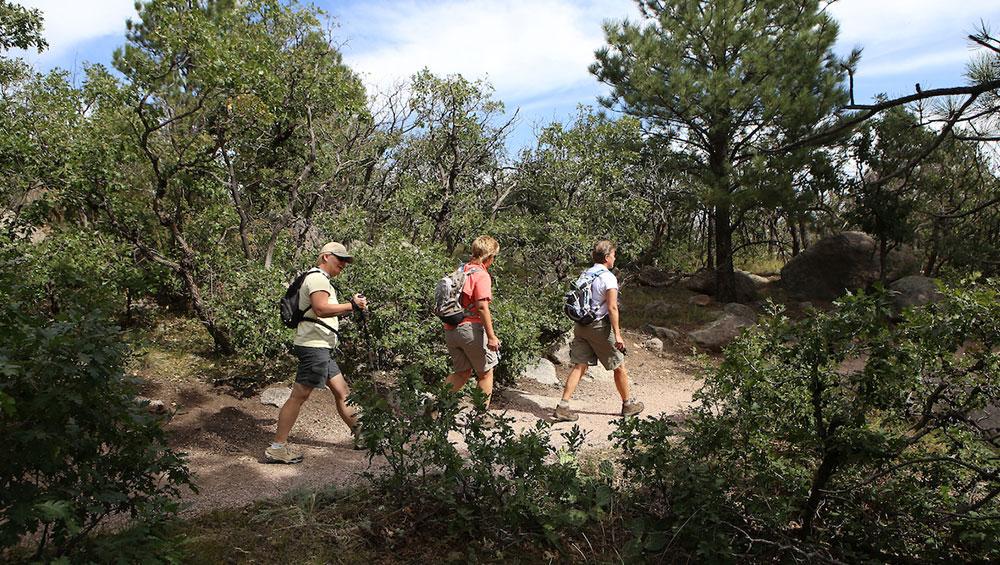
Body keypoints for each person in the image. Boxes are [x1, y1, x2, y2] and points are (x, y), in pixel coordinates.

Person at [265, 242, 368, 464]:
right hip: (314, 346)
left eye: (345, 260)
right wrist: (352, 306)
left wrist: (350, 306)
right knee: (299, 396)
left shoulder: (321, 279)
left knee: (343, 392)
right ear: (325, 257)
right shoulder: (318, 278)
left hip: (321, 346)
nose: (343, 264)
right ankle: (277, 447)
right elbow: (321, 308)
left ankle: (363, 435)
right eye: (339, 259)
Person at [554, 240, 643, 422]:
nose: (615, 257)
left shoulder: (587, 273)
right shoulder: (608, 277)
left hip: (581, 325)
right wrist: (618, 334)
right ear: (607, 257)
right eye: (613, 255)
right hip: (598, 327)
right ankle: (628, 405)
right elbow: (612, 308)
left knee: (580, 365)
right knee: (619, 365)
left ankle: (563, 406)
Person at [443, 235, 501, 409]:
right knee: (486, 373)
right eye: (494, 257)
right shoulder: (482, 275)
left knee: (461, 373)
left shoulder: (461, 270)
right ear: (489, 257)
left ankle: (434, 408)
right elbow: (482, 306)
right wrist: (491, 336)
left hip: (450, 328)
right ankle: (481, 417)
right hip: (470, 329)